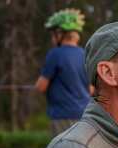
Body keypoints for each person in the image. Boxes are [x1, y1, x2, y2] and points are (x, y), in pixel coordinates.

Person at [34, 8, 93, 137]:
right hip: (85, 116)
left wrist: (38, 86)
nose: (52, 38)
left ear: (60, 33)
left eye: (53, 34)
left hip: (62, 116)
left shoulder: (55, 54)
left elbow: (41, 86)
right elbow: (91, 89)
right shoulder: (85, 55)